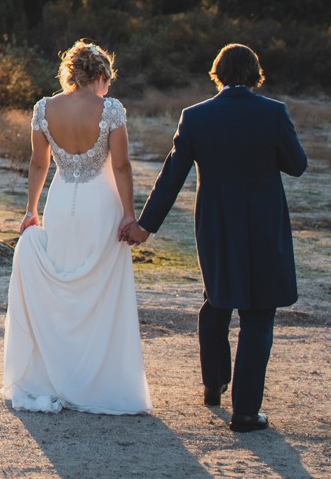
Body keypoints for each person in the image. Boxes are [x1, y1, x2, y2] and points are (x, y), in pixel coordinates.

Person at [123, 43, 307, 433]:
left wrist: (145, 226)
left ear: (217, 73)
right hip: (264, 226)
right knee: (259, 314)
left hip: (216, 225)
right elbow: (297, 165)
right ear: (256, 73)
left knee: (216, 301)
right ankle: (245, 412)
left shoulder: (195, 117)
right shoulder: (274, 113)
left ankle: (213, 383)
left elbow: (171, 178)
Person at [2, 39, 152, 415]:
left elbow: (39, 164)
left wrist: (31, 209)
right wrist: (129, 214)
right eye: (108, 80)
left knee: (64, 286)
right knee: (98, 290)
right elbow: (121, 166)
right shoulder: (110, 110)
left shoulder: (44, 108)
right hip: (101, 205)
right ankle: (96, 379)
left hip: (60, 202)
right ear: (99, 75)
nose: (108, 87)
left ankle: (58, 373)